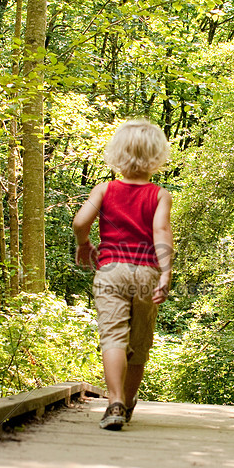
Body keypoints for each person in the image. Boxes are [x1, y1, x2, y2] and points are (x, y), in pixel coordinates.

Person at [73, 119, 173, 430]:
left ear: (117, 154)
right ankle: (128, 404)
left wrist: (84, 244)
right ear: (156, 157)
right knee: (139, 342)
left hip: (111, 271)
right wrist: (166, 272)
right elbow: (161, 231)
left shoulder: (104, 190)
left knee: (113, 337)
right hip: (146, 271)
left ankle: (113, 401)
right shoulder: (159, 194)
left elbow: (79, 223)